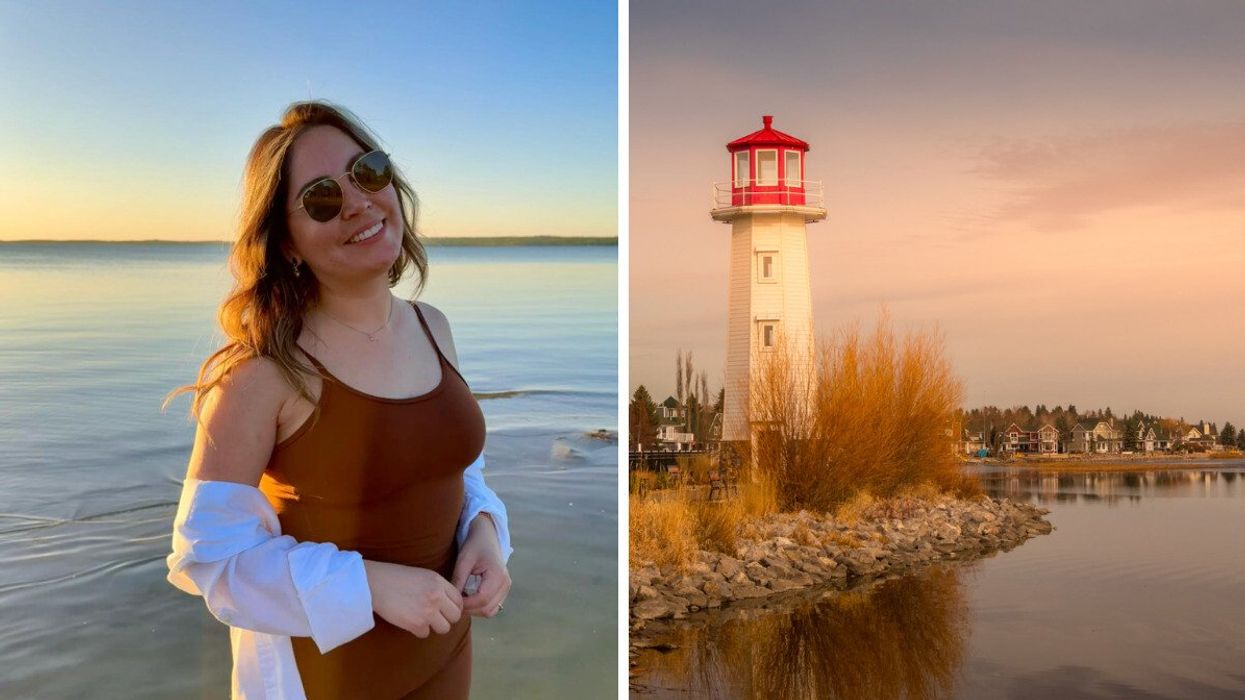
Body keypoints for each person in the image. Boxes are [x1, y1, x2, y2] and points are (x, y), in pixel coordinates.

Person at [163, 101, 512, 699]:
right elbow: (208, 559)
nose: (357, 202)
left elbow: (453, 465)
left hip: (446, 660)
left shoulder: (434, 326)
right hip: (327, 680)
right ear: (288, 243)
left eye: (368, 172)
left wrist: (483, 529)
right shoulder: (262, 374)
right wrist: (368, 585)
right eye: (322, 199)